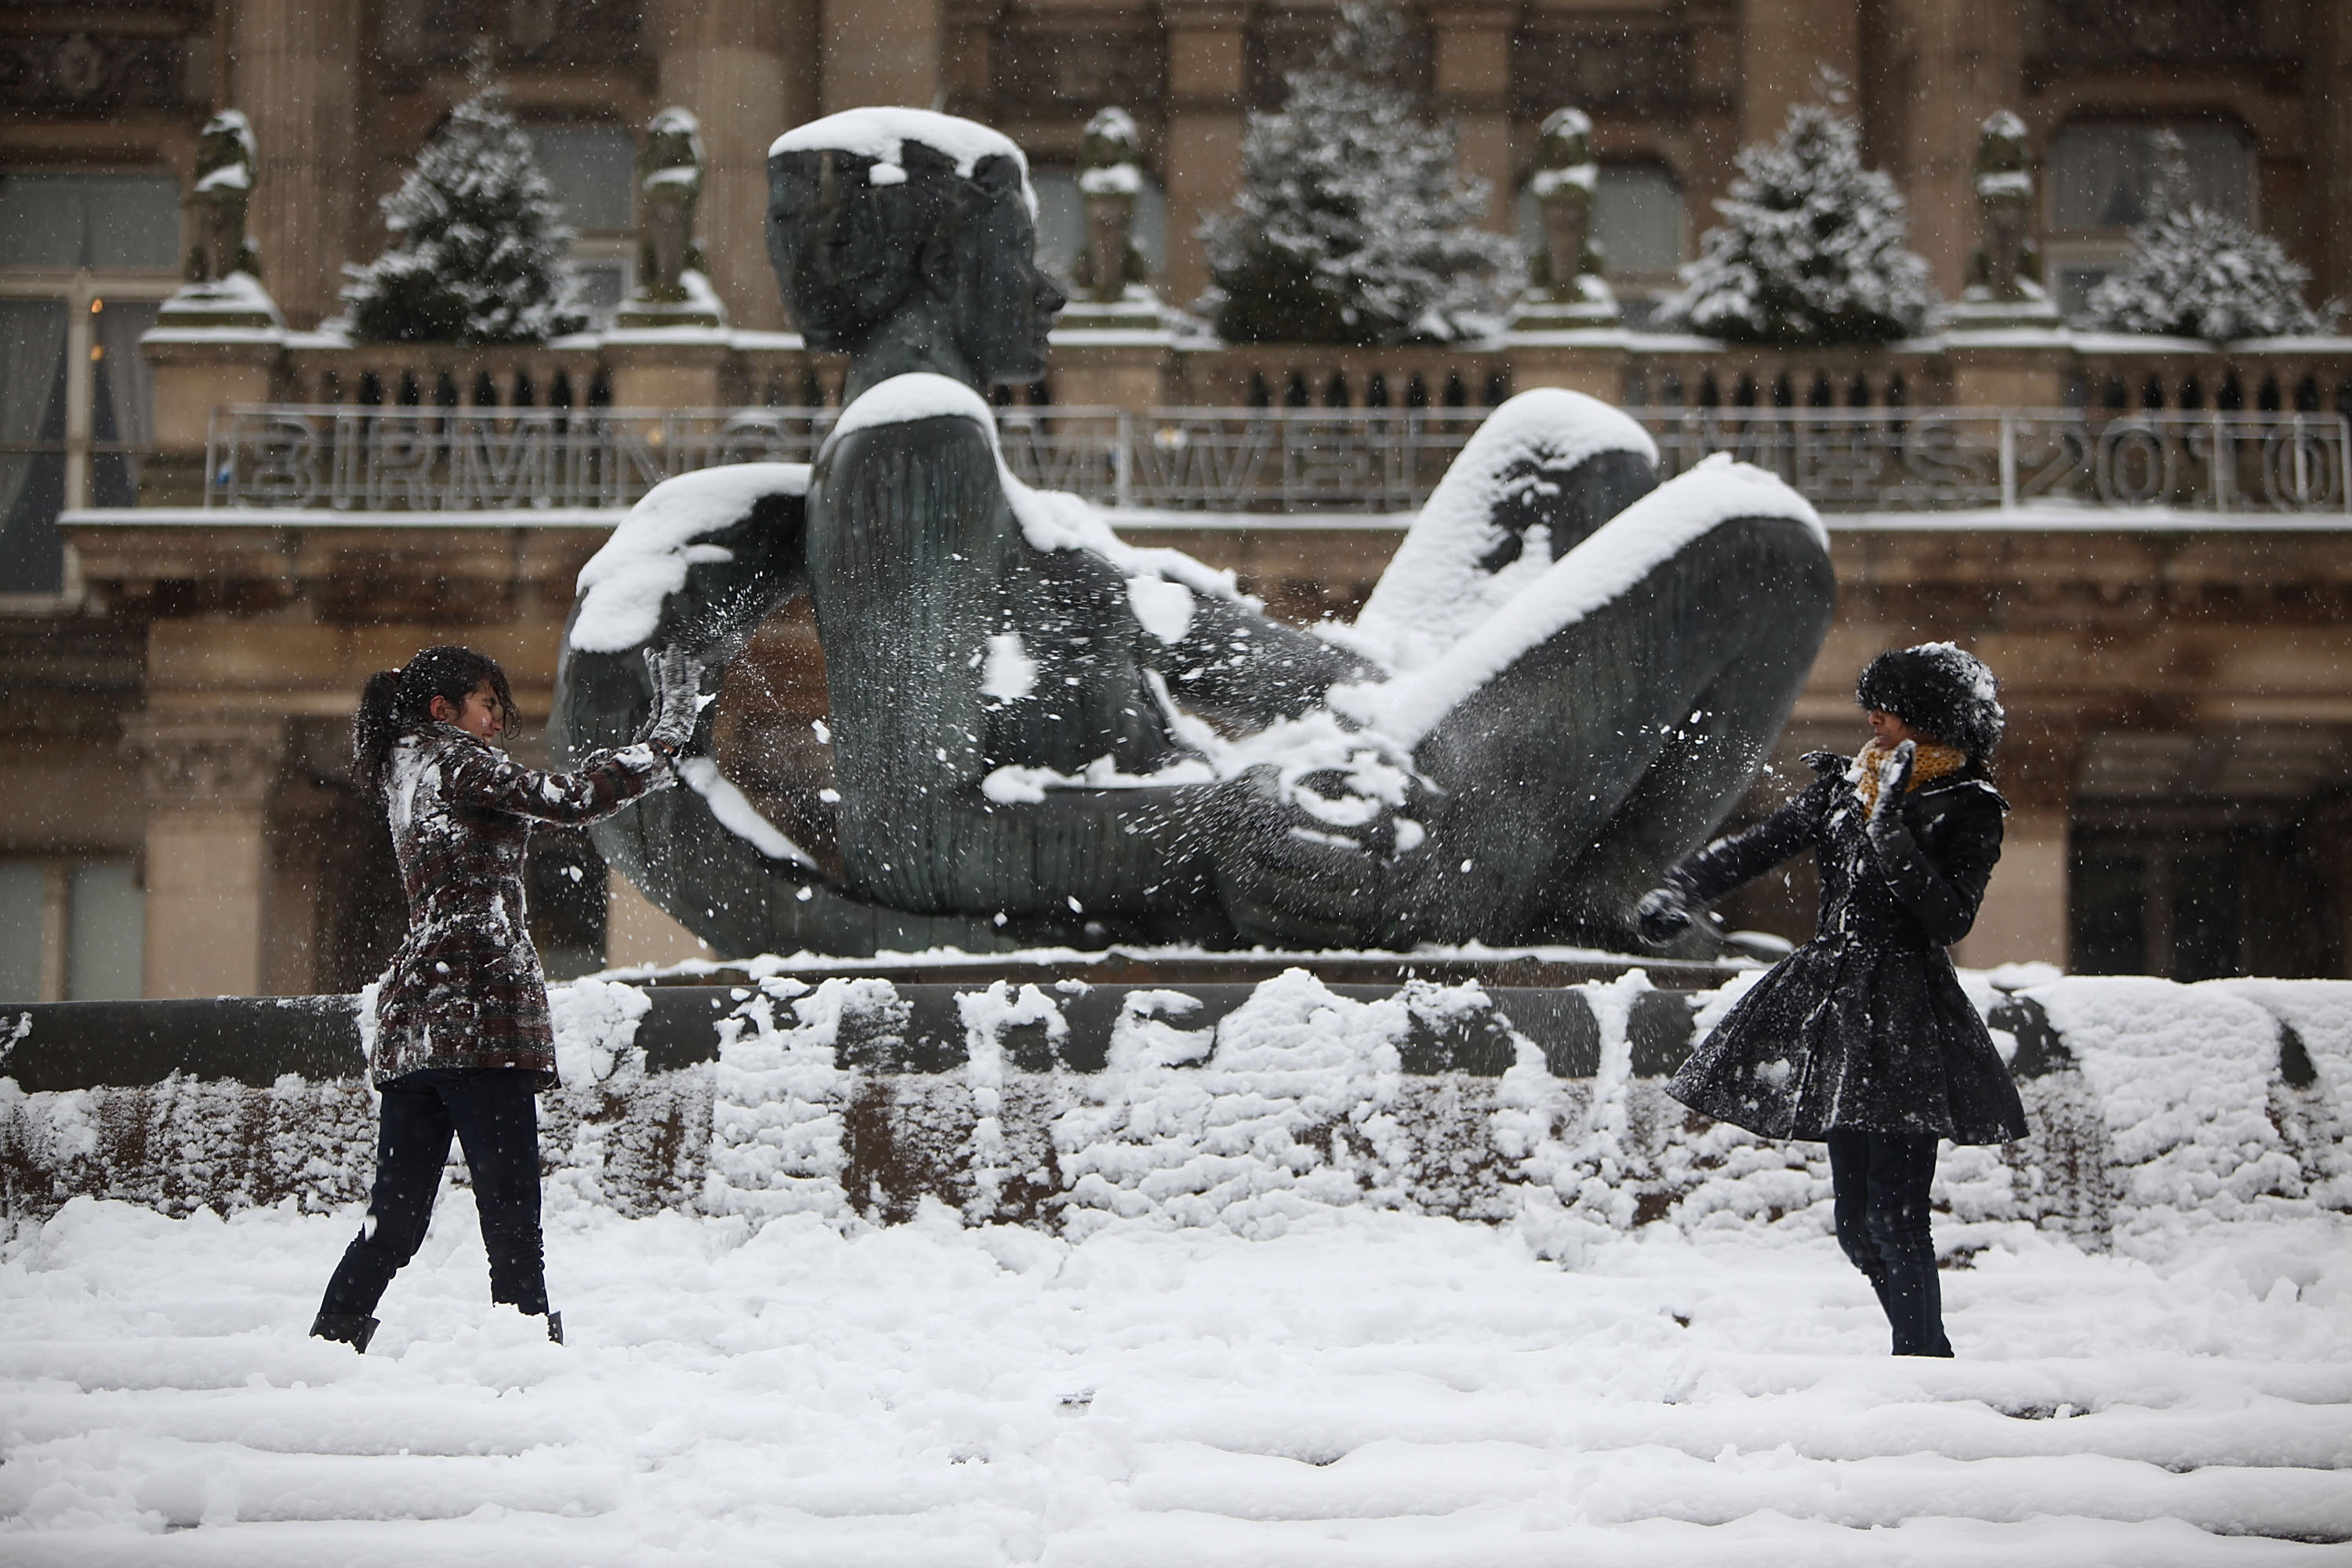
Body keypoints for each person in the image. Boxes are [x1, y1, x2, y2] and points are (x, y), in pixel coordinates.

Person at [1635, 643, 2028, 1357]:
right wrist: (1683, 889)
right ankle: (1925, 1348)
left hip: (1910, 1013)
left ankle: (1922, 1364)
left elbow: (1949, 919)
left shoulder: (1970, 807)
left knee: (1898, 1217)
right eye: (1872, 708)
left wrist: (1892, 838)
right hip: (1841, 1007)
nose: (1873, 721)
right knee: (1857, 1227)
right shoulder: (1850, 785)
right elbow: (1759, 845)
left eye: (1890, 711)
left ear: (1931, 719)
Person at [309, 643, 700, 1353]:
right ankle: (525, 1366)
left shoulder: (406, 771)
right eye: (487, 705)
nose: (496, 722)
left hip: (416, 1027)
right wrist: (666, 738)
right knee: (513, 1215)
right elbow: (573, 800)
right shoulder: (458, 762)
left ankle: (329, 1344)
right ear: (443, 710)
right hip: (480, 1018)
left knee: (393, 1222)